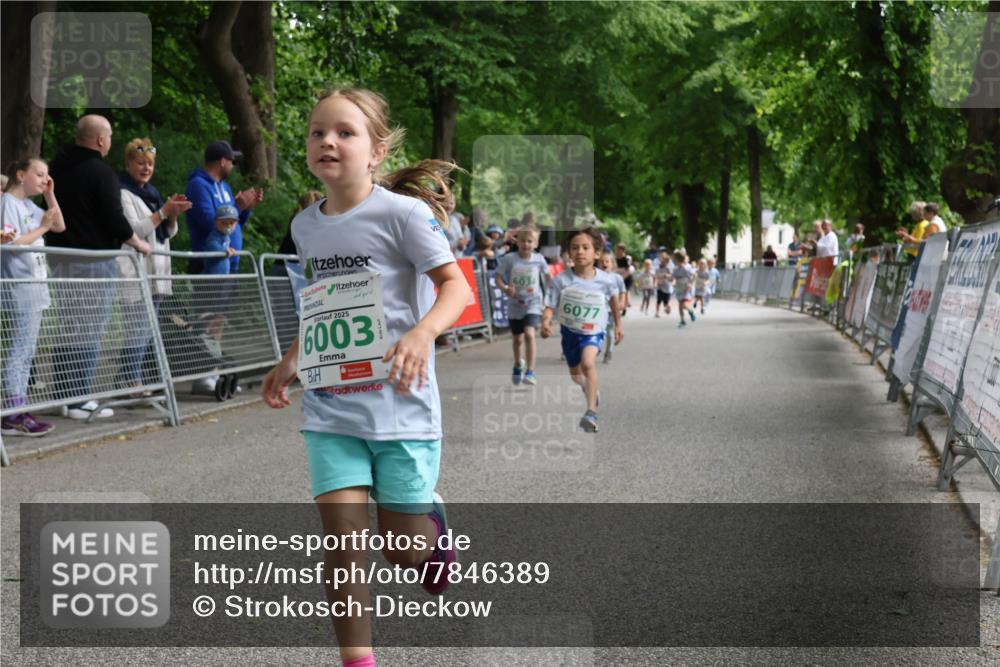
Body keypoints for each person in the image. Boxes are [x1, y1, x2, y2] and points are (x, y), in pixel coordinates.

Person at [259, 87, 471, 667]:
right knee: (343, 543)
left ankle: (431, 530)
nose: (327, 141)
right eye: (317, 132)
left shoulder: (404, 215)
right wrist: (293, 359)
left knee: (401, 552)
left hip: (400, 407)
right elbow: (324, 305)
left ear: (377, 151)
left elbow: (456, 287)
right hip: (332, 409)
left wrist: (422, 333)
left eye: (344, 132)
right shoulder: (305, 226)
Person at [47, 115, 153, 420]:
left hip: (61, 258)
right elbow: (114, 217)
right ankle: (79, 400)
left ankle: (63, 395)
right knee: (90, 329)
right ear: (100, 140)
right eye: (109, 137)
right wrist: (138, 242)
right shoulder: (101, 172)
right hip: (93, 260)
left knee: (68, 326)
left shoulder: (58, 167)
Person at [116, 138, 192, 394]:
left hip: (157, 273)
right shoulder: (123, 193)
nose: (146, 168)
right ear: (128, 164)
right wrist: (163, 212)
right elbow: (133, 230)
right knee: (137, 329)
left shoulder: (153, 194)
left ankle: (131, 379)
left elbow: (167, 233)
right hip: (136, 272)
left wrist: (172, 215)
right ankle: (129, 381)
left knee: (148, 330)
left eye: (149, 164)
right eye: (140, 163)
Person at [1, 158, 65, 436]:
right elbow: (10, 244)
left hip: (36, 286)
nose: (44, 179)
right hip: (20, 287)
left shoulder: (30, 205)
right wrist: (42, 228)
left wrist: (50, 195)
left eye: (46, 175)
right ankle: (12, 413)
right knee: (20, 351)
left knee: (28, 352)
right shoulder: (8, 204)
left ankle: (19, 406)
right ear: (20, 175)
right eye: (39, 174)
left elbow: (59, 225)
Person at [540, 227, 622, 433]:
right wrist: (546, 322)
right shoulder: (561, 280)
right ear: (569, 252)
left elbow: (614, 302)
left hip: (593, 331)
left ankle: (591, 413)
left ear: (597, 253)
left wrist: (618, 325)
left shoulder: (606, 280)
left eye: (586, 247)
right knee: (576, 376)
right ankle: (589, 387)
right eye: (575, 248)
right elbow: (550, 304)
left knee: (588, 363)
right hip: (570, 333)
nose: (580, 252)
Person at [185, 140, 263, 274]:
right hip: (210, 265)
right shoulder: (198, 185)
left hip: (229, 265)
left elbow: (233, 226)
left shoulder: (225, 186)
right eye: (232, 161)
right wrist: (238, 207)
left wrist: (246, 209)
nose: (233, 166)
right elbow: (209, 222)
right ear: (222, 161)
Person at [495, 225, 549, 386]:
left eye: (530, 241)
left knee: (529, 334)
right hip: (515, 304)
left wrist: (551, 294)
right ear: (517, 241)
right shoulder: (509, 259)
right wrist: (505, 288)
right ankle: (518, 363)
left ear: (536, 244)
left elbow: (548, 276)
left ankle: (530, 372)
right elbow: (498, 278)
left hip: (533, 302)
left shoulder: (539, 259)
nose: (526, 244)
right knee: (517, 339)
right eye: (523, 240)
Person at [599, 252, 627, 363]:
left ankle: (608, 351)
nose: (604, 263)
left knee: (610, 331)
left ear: (612, 264)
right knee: (598, 330)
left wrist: (622, 301)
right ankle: (595, 347)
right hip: (598, 309)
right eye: (601, 261)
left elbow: (623, 291)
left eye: (607, 261)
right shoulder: (596, 276)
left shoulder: (617, 278)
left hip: (611, 309)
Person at [672, 251, 697, 328]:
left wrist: (690, 283)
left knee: (684, 305)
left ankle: (691, 311)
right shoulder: (675, 269)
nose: (673, 261)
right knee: (680, 306)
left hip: (686, 288)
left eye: (674, 259)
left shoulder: (686, 268)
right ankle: (682, 321)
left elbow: (694, 275)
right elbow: (674, 277)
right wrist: (672, 281)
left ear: (678, 260)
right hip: (679, 288)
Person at [614, 243, 634, 315]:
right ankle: (622, 307)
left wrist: (622, 277)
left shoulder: (626, 259)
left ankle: (626, 305)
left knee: (625, 291)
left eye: (619, 250)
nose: (617, 251)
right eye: (617, 250)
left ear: (623, 250)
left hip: (626, 277)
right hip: (619, 277)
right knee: (619, 293)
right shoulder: (615, 258)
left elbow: (628, 270)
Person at [654, 248, 674, 317]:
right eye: (661, 260)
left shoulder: (668, 268)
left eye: (664, 261)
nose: (662, 262)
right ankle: (657, 312)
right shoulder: (658, 268)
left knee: (667, 302)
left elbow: (672, 277)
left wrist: (667, 275)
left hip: (667, 287)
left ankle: (667, 307)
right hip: (660, 286)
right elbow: (656, 276)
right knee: (658, 300)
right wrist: (656, 282)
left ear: (667, 262)